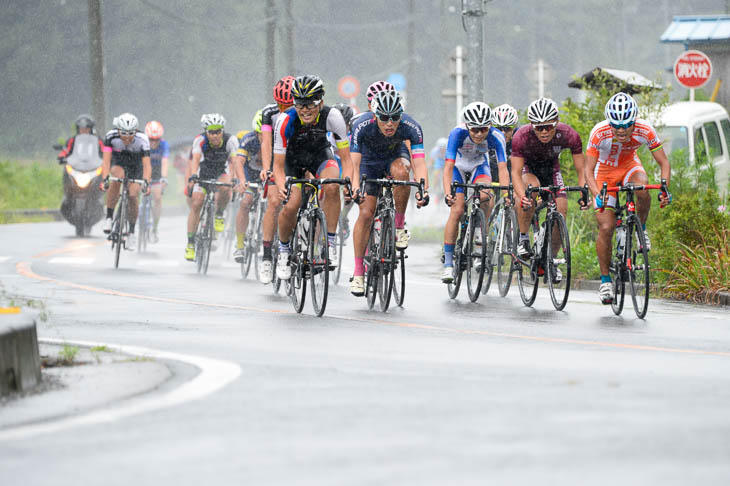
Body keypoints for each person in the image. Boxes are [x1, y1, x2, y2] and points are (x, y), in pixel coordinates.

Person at [584, 92, 672, 304]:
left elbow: (664, 164)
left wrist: (664, 189)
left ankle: (641, 228)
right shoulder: (599, 132)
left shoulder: (645, 130)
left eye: (626, 125)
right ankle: (606, 281)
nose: (621, 130)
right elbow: (588, 170)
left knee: (642, 188)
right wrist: (598, 195)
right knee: (606, 227)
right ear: (609, 122)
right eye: (616, 125)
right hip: (604, 173)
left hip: (629, 167)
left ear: (634, 122)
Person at [348, 89, 430, 296]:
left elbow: (419, 164)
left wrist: (423, 190)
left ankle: (399, 226)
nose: (390, 123)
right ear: (375, 116)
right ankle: (358, 273)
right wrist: (355, 188)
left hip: (394, 157)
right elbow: (354, 165)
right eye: (384, 118)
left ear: (401, 116)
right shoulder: (361, 126)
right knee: (366, 213)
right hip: (368, 163)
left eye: (394, 117)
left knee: (402, 171)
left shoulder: (411, 127)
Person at [272, 75, 353, 281]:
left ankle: (330, 244)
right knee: (292, 205)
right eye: (300, 104)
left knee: (333, 185)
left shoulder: (333, 117)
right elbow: (278, 166)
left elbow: (346, 158)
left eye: (310, 104)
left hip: (320, 156)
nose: (305, 109)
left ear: (321, 102)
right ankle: (283, 251)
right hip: (293, 161)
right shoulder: (285, 120)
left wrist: (349, 181)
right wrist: (282, 185)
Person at [510, 97, 587, 278]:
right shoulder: (521, 136)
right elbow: (515, 172)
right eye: (539, 127)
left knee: (561, 210)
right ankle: (523, 238)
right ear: (531, 125)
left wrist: (585, 192)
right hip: (528, 169)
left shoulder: (569, 135)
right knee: (532, 188)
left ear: (557, 123)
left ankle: (550, 260)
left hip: (551, 169)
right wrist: (522, 197)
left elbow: (581, 169)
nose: (544, 131)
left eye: (549, 126)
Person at [441, 102, 507, 283]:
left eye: (483, 130)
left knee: (487, 196)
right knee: (457, 209)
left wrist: (508, 195)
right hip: (458, 167)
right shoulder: (457, 133)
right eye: (475, 130)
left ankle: (480, 235)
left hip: (479, 165)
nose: (479, 134)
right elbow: (447, 167)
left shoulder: (496, 135)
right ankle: (448, 263)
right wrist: (448, 193)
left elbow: (502, 168)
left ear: (489, 126)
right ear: (468, 126)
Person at [185, 113, 240, 261]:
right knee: (197, 203)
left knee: (226, 186)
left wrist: (235, 179)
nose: (215, 136)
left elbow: (235, 162)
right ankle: (190, 244)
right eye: (211, 132)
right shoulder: (200, 140)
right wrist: (193, 176)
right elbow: (195, 159)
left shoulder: (230, 140)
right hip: (203, 174)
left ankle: (219, 214)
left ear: (223, 131)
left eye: (218, 131)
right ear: (206, 132)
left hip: (220, 173)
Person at [259, 75, 295, 283]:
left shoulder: (303, 112)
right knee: (274, 203)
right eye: (281, 104)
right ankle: (266, 256)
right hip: (276, 159)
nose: (284, 109)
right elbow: (266, 143)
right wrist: (266, 168)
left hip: (297, 157)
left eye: (288, 105)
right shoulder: (269, 113)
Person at [100, 113, 151, 251]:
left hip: (136, 165)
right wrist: (105, 178)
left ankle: (132, 233)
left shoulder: (143, 140)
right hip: (119, 161)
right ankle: (109, 217)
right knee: (117, 177)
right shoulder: (111, 136)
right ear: (118, 130)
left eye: (131, 133)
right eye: (124, 133)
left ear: (136, 131)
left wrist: (146, 182)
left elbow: (147, 165)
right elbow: (106, 161)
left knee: (133, 195)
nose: (127, 137)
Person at [232, 110, 264, 263]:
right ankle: (240, 244)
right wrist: (242, 180)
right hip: (250, 177)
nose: (263, 137)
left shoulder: (277, 139)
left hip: (269, 177)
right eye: (260, 133)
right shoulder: (249, 139)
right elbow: (238, 161)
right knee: (245, 202)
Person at [145, 120, 169, 243]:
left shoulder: (164, 145)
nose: (153, 142)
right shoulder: (142, 144)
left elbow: (165, 161)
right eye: (151, 139)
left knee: (157, 198)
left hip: (157, 173)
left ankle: (154, 227)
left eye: (156, 139)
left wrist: (163, 178)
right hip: (144, 171)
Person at [427, 137, 447, 203]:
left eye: (444, 148)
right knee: (436, 174)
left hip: (447, 161)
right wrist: (429, 166)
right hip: (439, 162)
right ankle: (435, 187)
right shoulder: (435, 151)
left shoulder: (448, 150)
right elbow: (431, 160)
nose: (442, 149)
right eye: (441, 148)